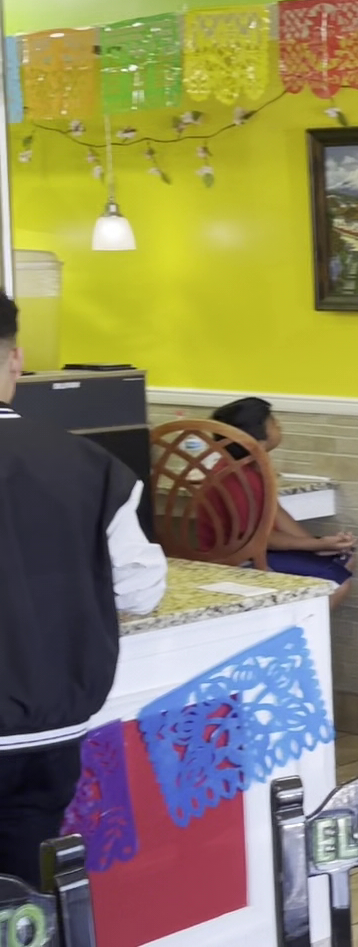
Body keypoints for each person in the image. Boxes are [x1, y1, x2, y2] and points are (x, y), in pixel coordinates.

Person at [0, 292, 167, 882]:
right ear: (17, 360)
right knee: (29, 894)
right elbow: (141, 589)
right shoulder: (91, 465)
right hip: (52, 730)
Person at [210, 396, 356, 607]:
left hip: (259, 548)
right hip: (237, 559)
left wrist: (317, 546)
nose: (278, 425)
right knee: (337, 583)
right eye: (272, 421)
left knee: (342, 557)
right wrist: (317, 544)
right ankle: (297, 625)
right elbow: (259, 538)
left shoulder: (254, 466)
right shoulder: (236, 477)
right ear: (255, 434)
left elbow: (275, 511)